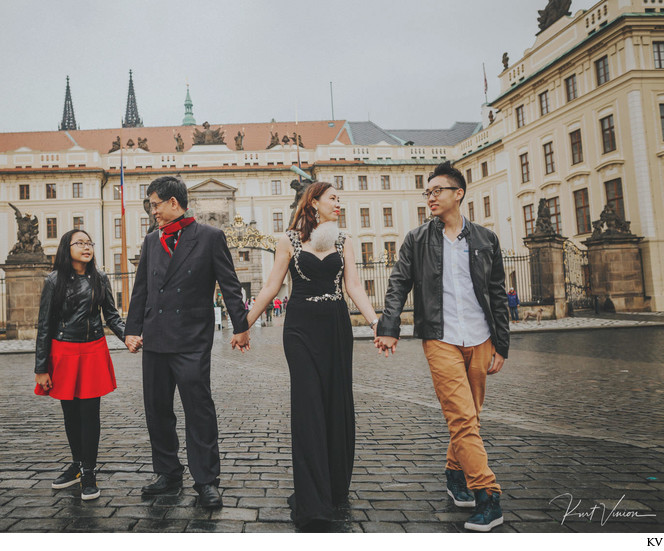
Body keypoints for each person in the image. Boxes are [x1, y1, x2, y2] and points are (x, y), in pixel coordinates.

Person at [374, 161, 510, 532]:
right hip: (440, 338)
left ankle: (455, 473)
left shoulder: (486, 239)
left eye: (438, 191)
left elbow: (496, 294)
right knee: (462, 417)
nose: (431, 197)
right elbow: (399, 283)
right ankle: (488, 494)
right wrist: (389, 327)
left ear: (458, 194)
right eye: (427, 192)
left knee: (470, 417)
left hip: (480, 338)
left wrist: (502, 344)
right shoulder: (417, 239)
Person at [246, 182, 379, 531]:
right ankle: (313, 498)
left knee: (336, 403)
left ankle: (334, 486)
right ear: (314, 202)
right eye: (333, 198)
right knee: (308, 408)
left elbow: (353, 286)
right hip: (300, 330)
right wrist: (243, 324)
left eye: (339, 198)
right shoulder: (287, 240)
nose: (339, 203)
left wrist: (377, 322)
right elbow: (271, 286)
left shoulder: (344, 240)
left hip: (336, 328)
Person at [124, 176, 250, 509]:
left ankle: (206, 480)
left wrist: (241, 326)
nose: (152, 211)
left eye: (155, 204)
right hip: (154, 338)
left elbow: (229, 283)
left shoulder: (210, 237)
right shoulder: (151, 242)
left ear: (173, 203)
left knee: (199, 411)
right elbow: (141, 291)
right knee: (157, 411)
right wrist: (132, 329)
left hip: (192, 339)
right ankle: (167, 472)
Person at [34, 229, 126, 501]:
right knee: (70, 414)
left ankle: (88, 471)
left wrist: (129, 336)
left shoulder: (100, 278)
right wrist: (41, 368)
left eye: (89, 243)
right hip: (63, 352)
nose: (86, 247)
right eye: (80, 243)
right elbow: (45, 325)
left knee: (90, 413)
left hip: (93, 350)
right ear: (67, 248)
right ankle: (76, 464)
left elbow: (111, 315)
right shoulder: (54, 280)